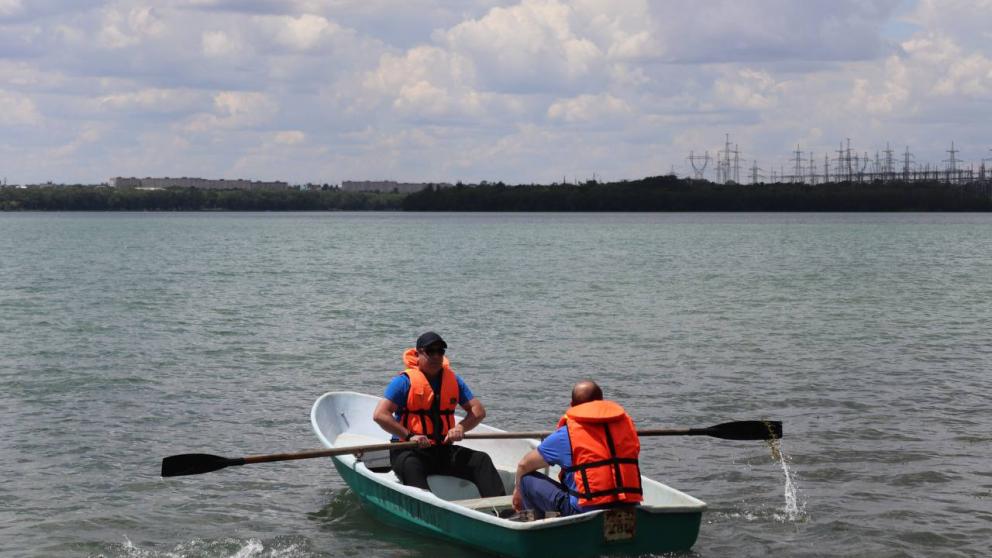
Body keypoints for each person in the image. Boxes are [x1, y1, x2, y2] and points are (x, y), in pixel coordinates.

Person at [372, 331, 506, 498]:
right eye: (430, 351)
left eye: (440, 351)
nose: (436, 356)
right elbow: (380, 415)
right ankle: (429, 512)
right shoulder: (403, 382)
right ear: (418, 353)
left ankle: (504, 513)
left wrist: (460, 427)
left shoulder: (454, 380)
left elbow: (478, 412)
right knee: (411, 466)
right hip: (408, 450)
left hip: (442, 449)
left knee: (481, 460)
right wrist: (409, 436)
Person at [512, 380, 642, 518]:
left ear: (572, 406)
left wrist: (517, 492)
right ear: (602, 402)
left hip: (583, 514)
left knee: (526, 480)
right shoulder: (626, 430)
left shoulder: (567, 434)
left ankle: (536, 529)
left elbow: (524, 465)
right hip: (630, 508)